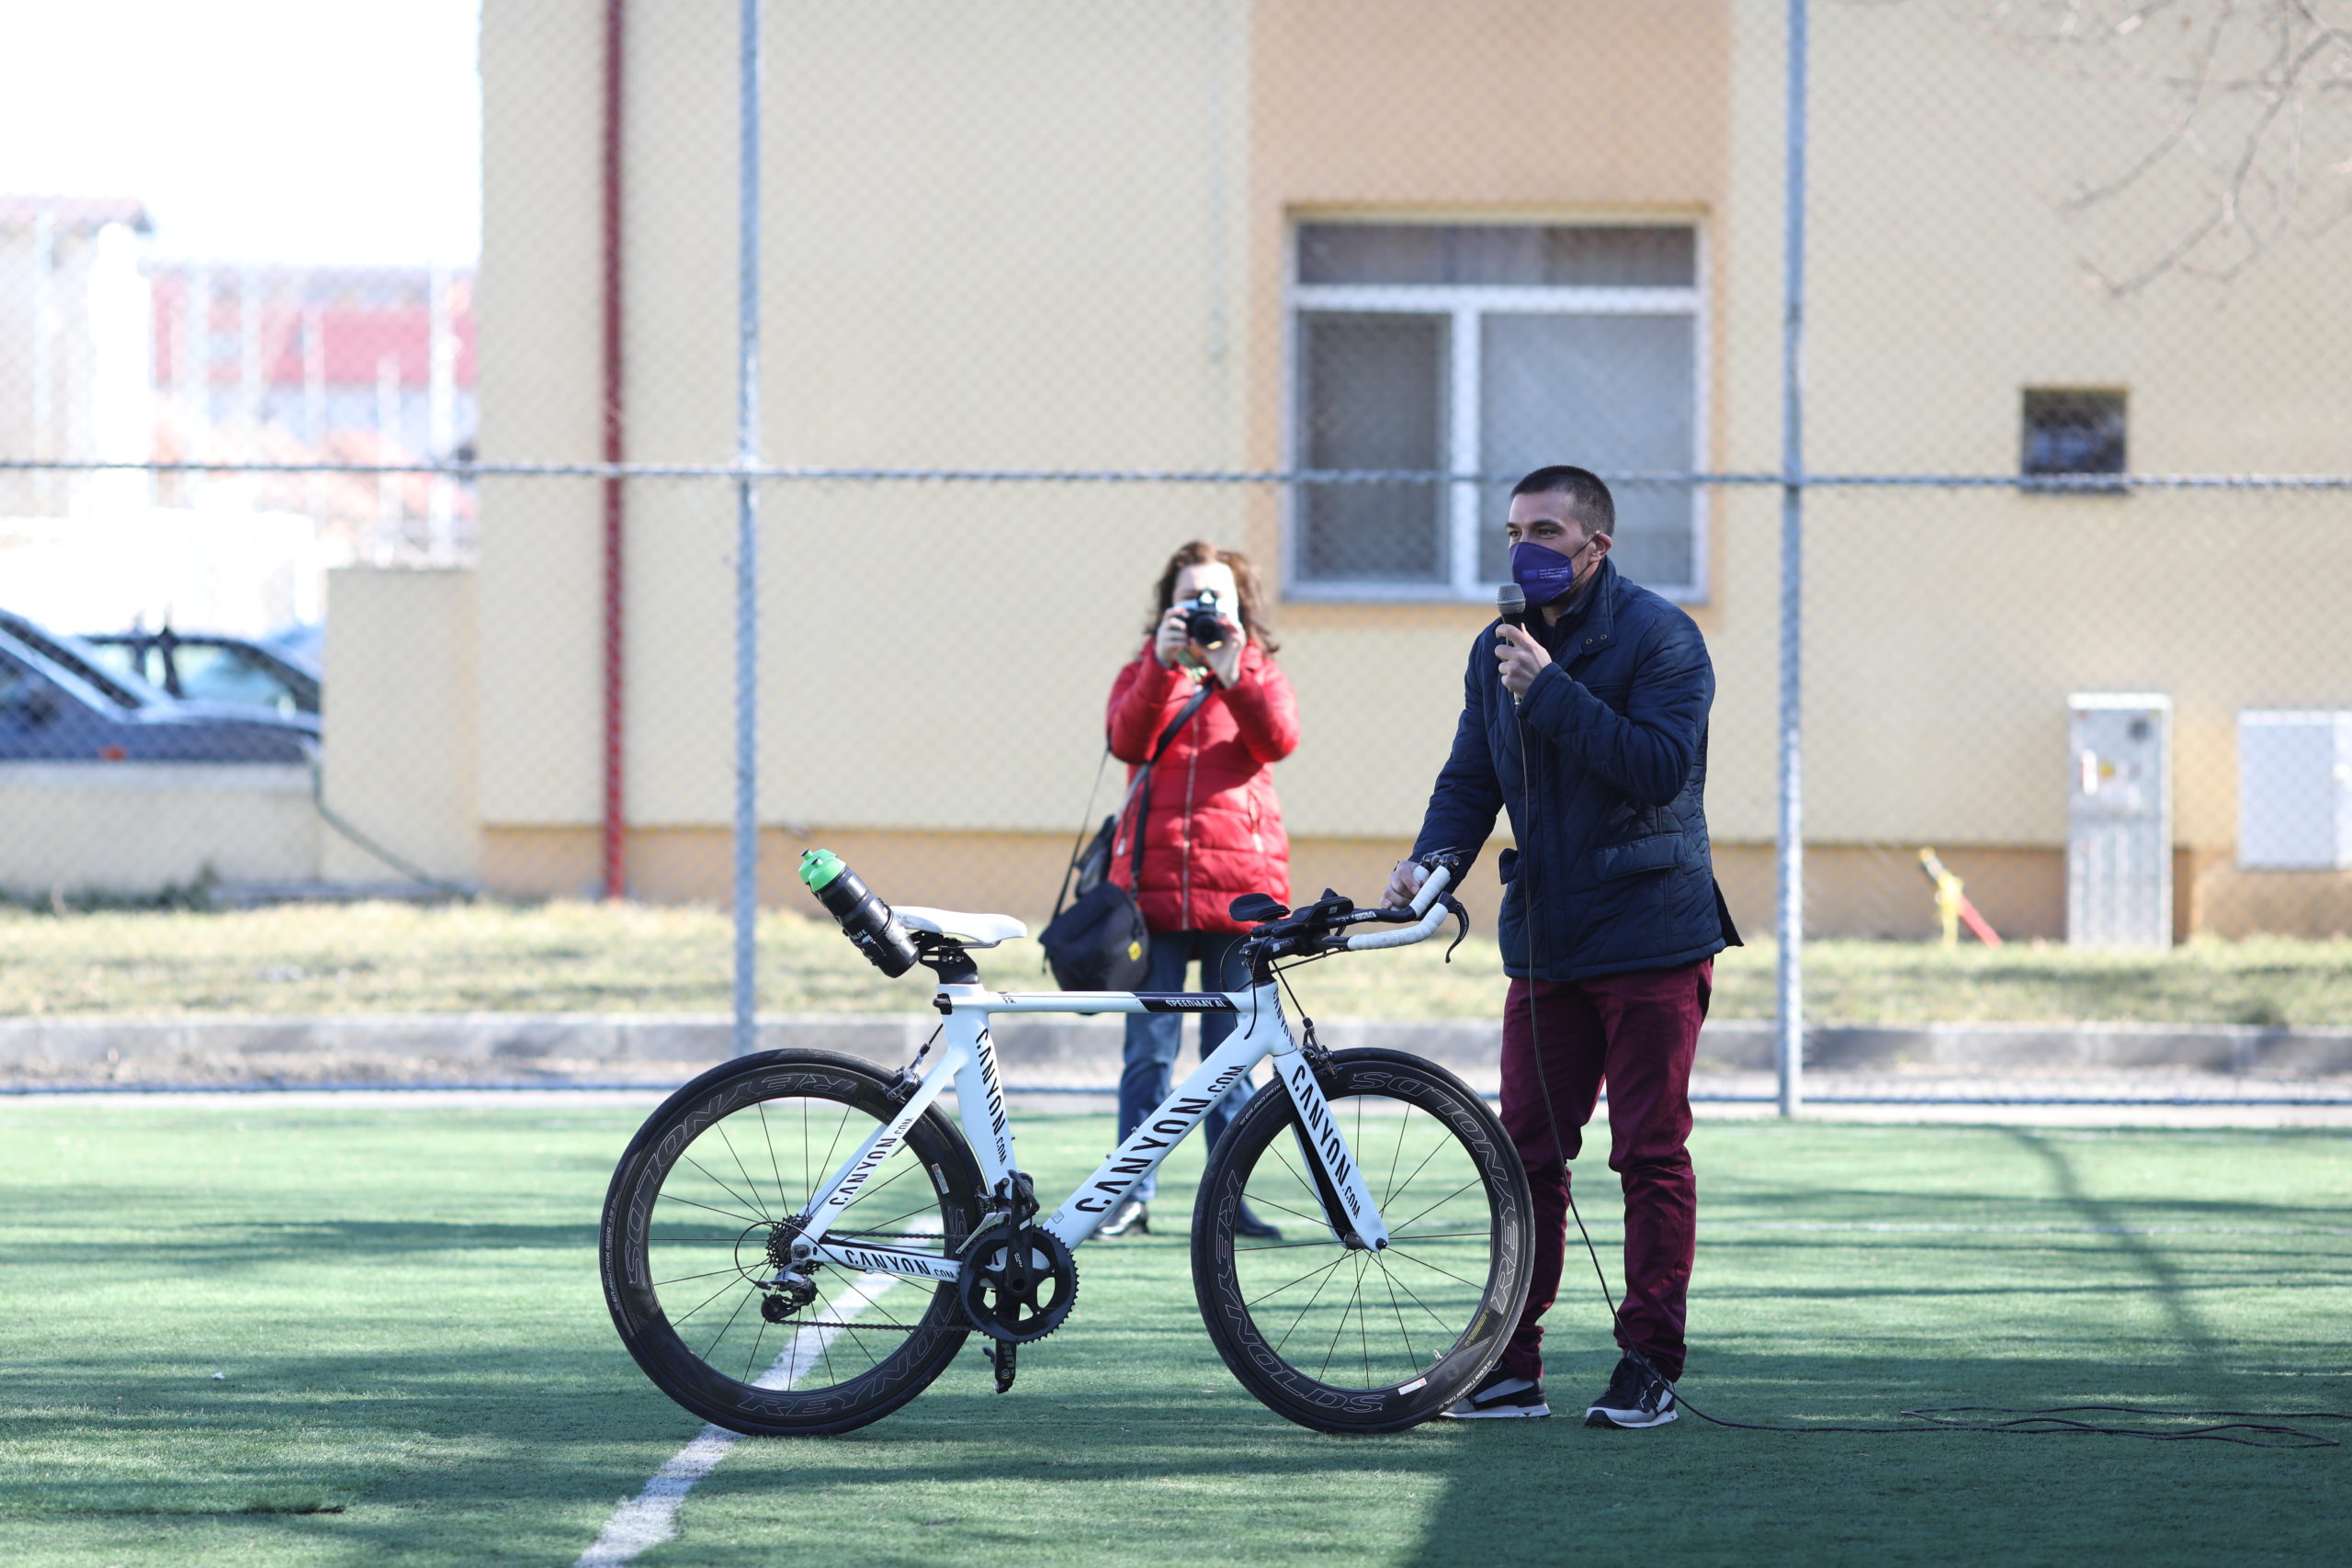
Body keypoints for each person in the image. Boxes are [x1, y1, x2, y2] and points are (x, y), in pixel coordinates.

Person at [1385, 466, 1738, 1428]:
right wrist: (1431, 865)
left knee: (1649, 1154)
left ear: (1596, 545)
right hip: (1547, 941)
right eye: (1512, 531)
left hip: (1652, 936)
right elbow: (1470, 778)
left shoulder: (1663, 637)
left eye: (1544, 531)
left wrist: (1550, 691)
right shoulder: (1495, 647)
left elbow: (1659, 767)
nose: (1523, 549)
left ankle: (1649, 1362)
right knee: (1526, 1155)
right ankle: (1510, 1366)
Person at [1094, 541, 1298, 1240]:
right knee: (1148, 1051)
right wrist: (1161, 665)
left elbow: (1278, 740)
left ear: (1240, 606)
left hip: (1238, 891)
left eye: (1217, 596)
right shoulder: (1144, 671)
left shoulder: (1257, 670)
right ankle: (1128, 1195)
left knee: (1232, 1053)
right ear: (1168, 605)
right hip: (1150, 892)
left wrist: (1233, 671)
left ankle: (1227, 1200)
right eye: (1191, 597)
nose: (1205, 608)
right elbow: (1126, 740)